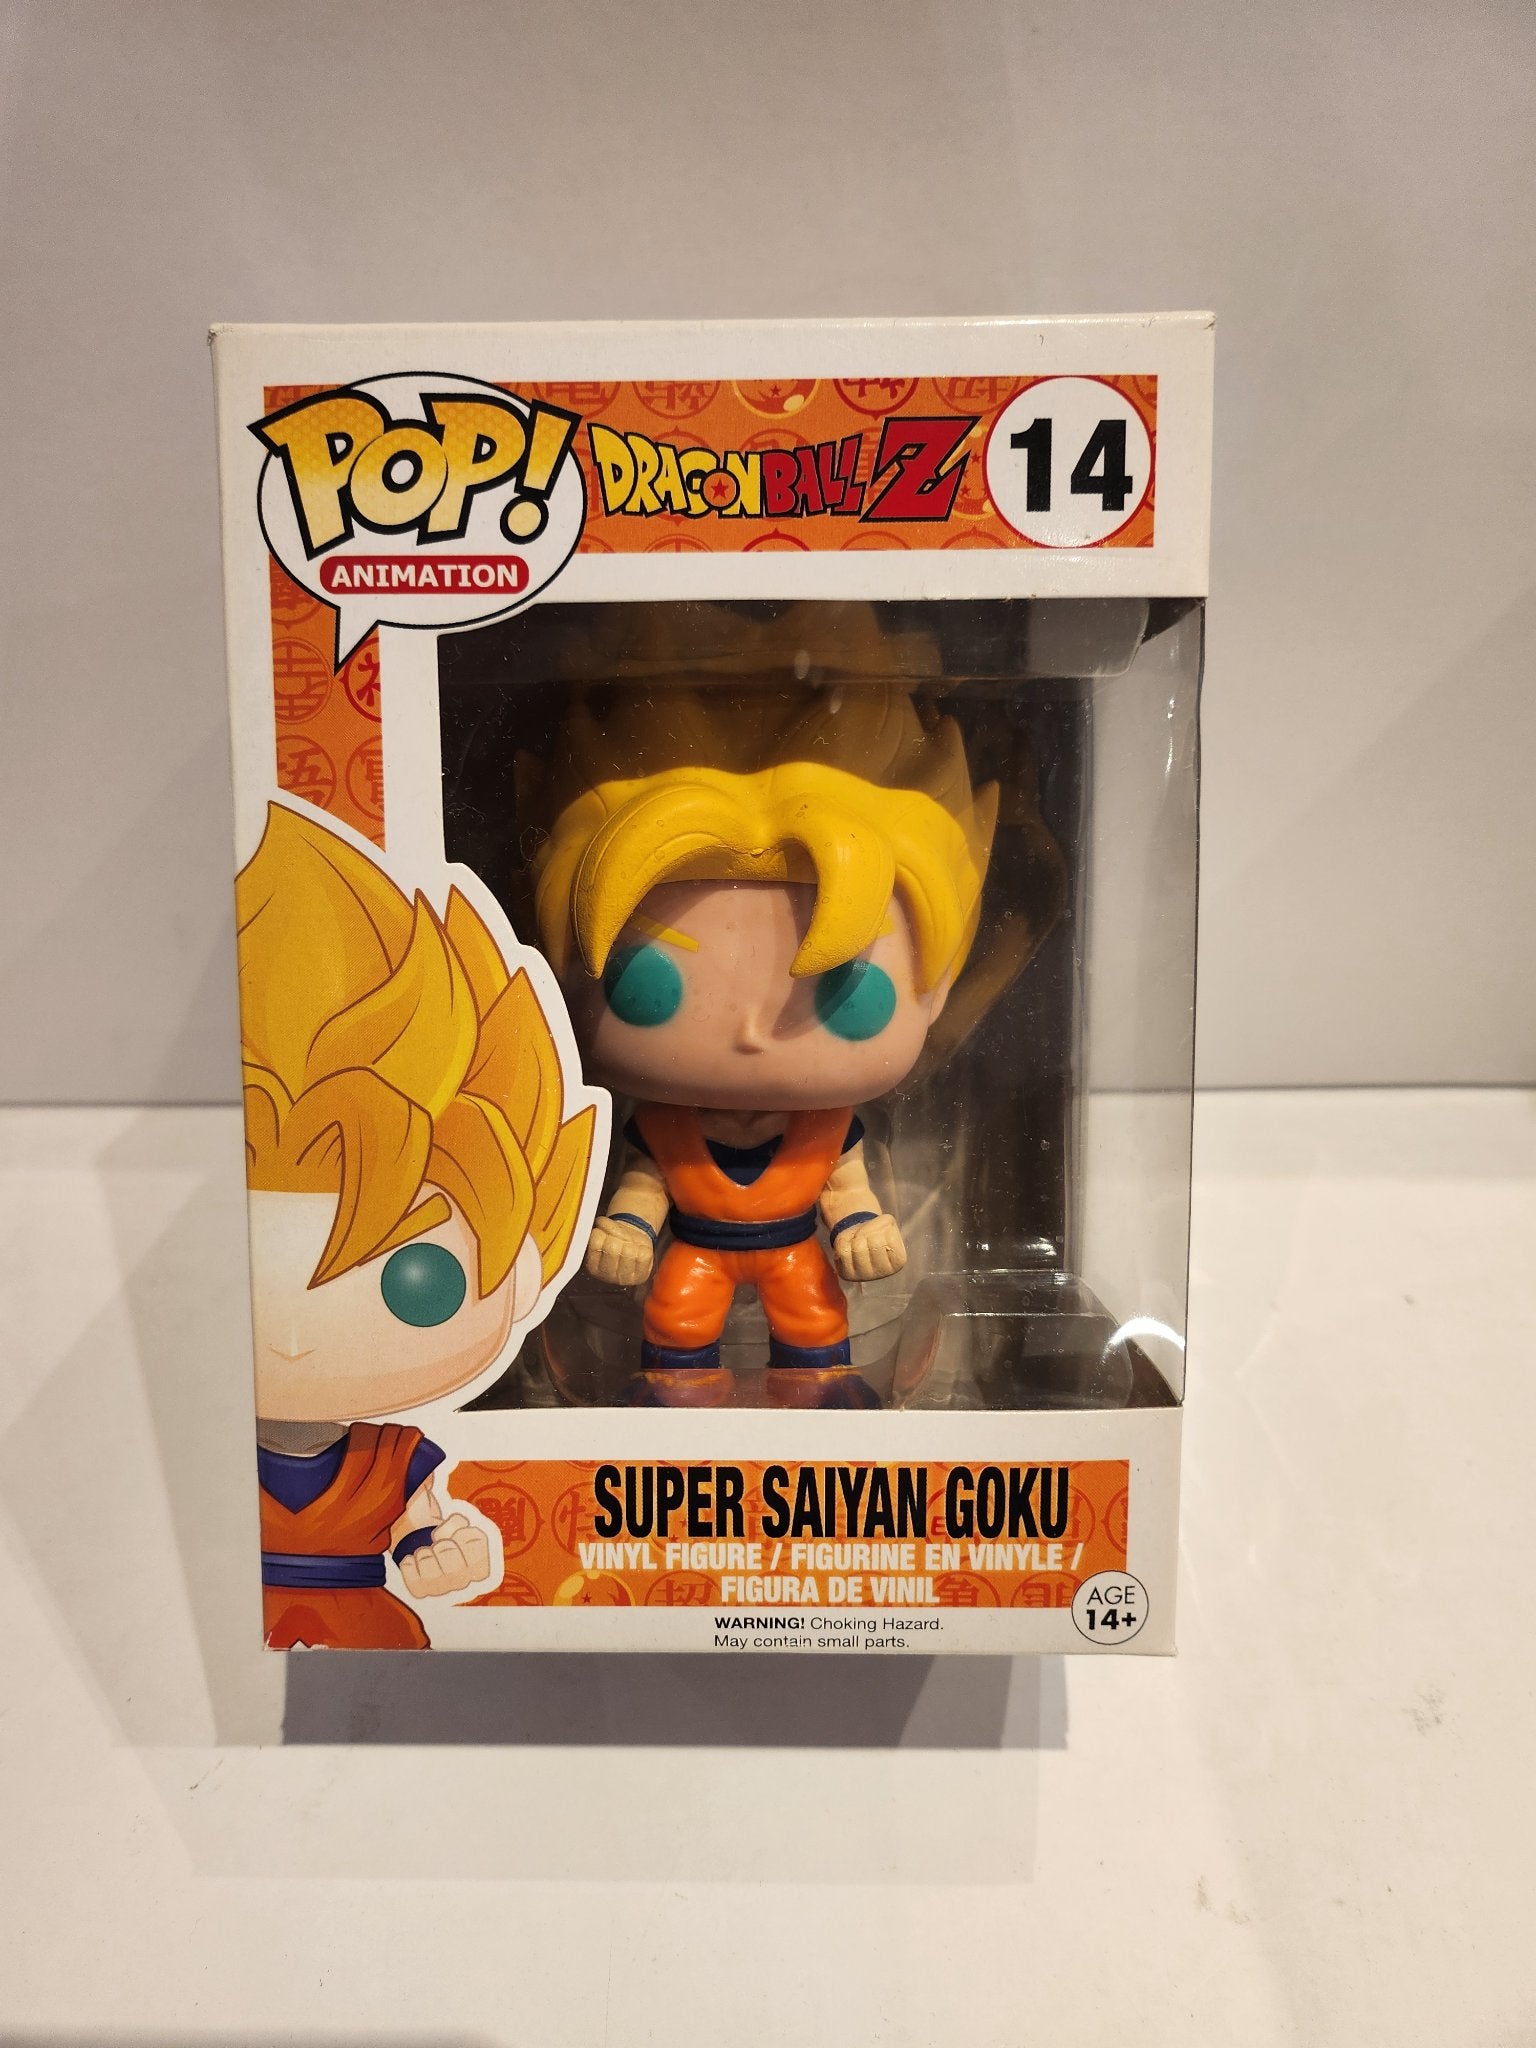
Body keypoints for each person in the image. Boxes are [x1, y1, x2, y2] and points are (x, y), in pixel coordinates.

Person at [238, 802, 596, 1644]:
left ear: (526, 1270)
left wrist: (447, 1551)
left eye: (418, 1283)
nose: (294, 1341)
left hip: (376, 1644)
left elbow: (425, 1534)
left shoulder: (396, 1462)